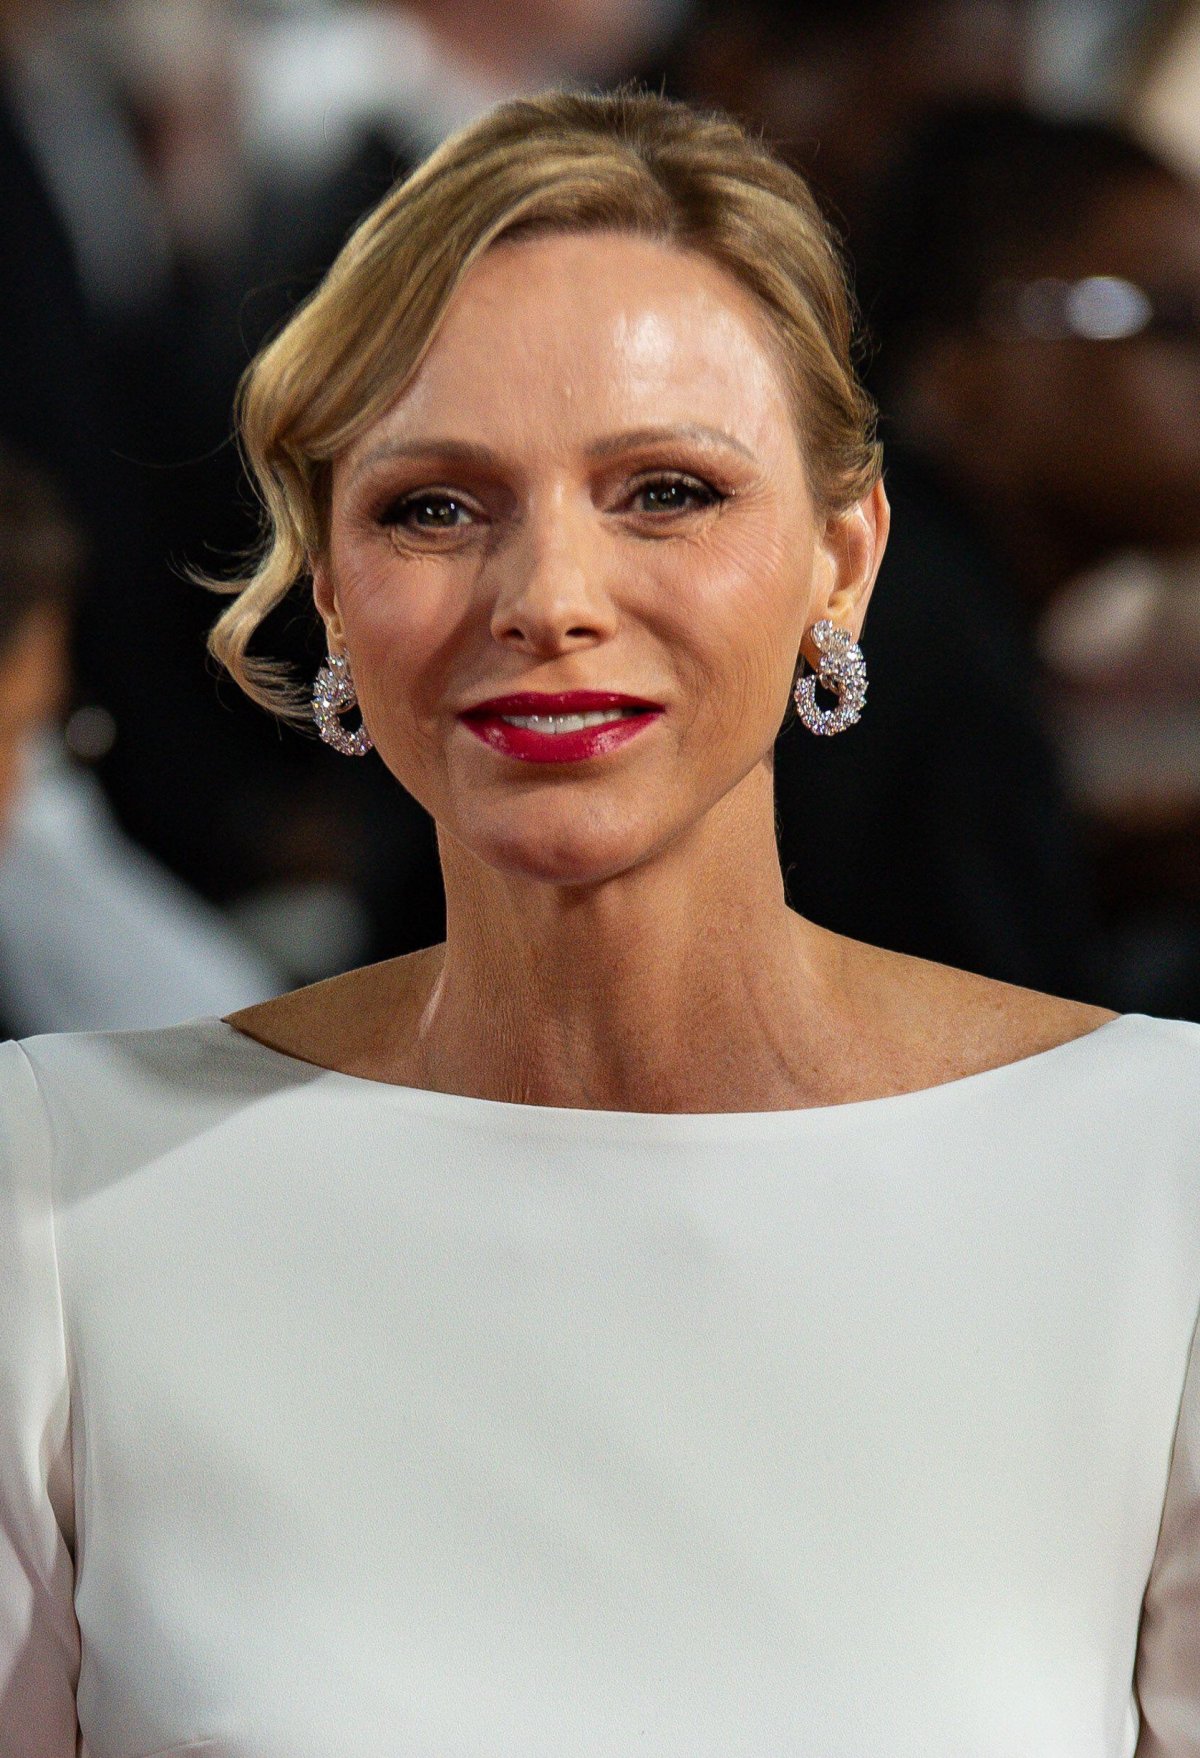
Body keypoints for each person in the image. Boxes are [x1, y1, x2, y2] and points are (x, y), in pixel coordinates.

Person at [0, 90, 1196, 1755]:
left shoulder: (1156, 1169)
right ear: (330, 581)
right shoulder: (57, 1191)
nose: (549, 598)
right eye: (435, 506)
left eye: (665, 491)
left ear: (842, 560)